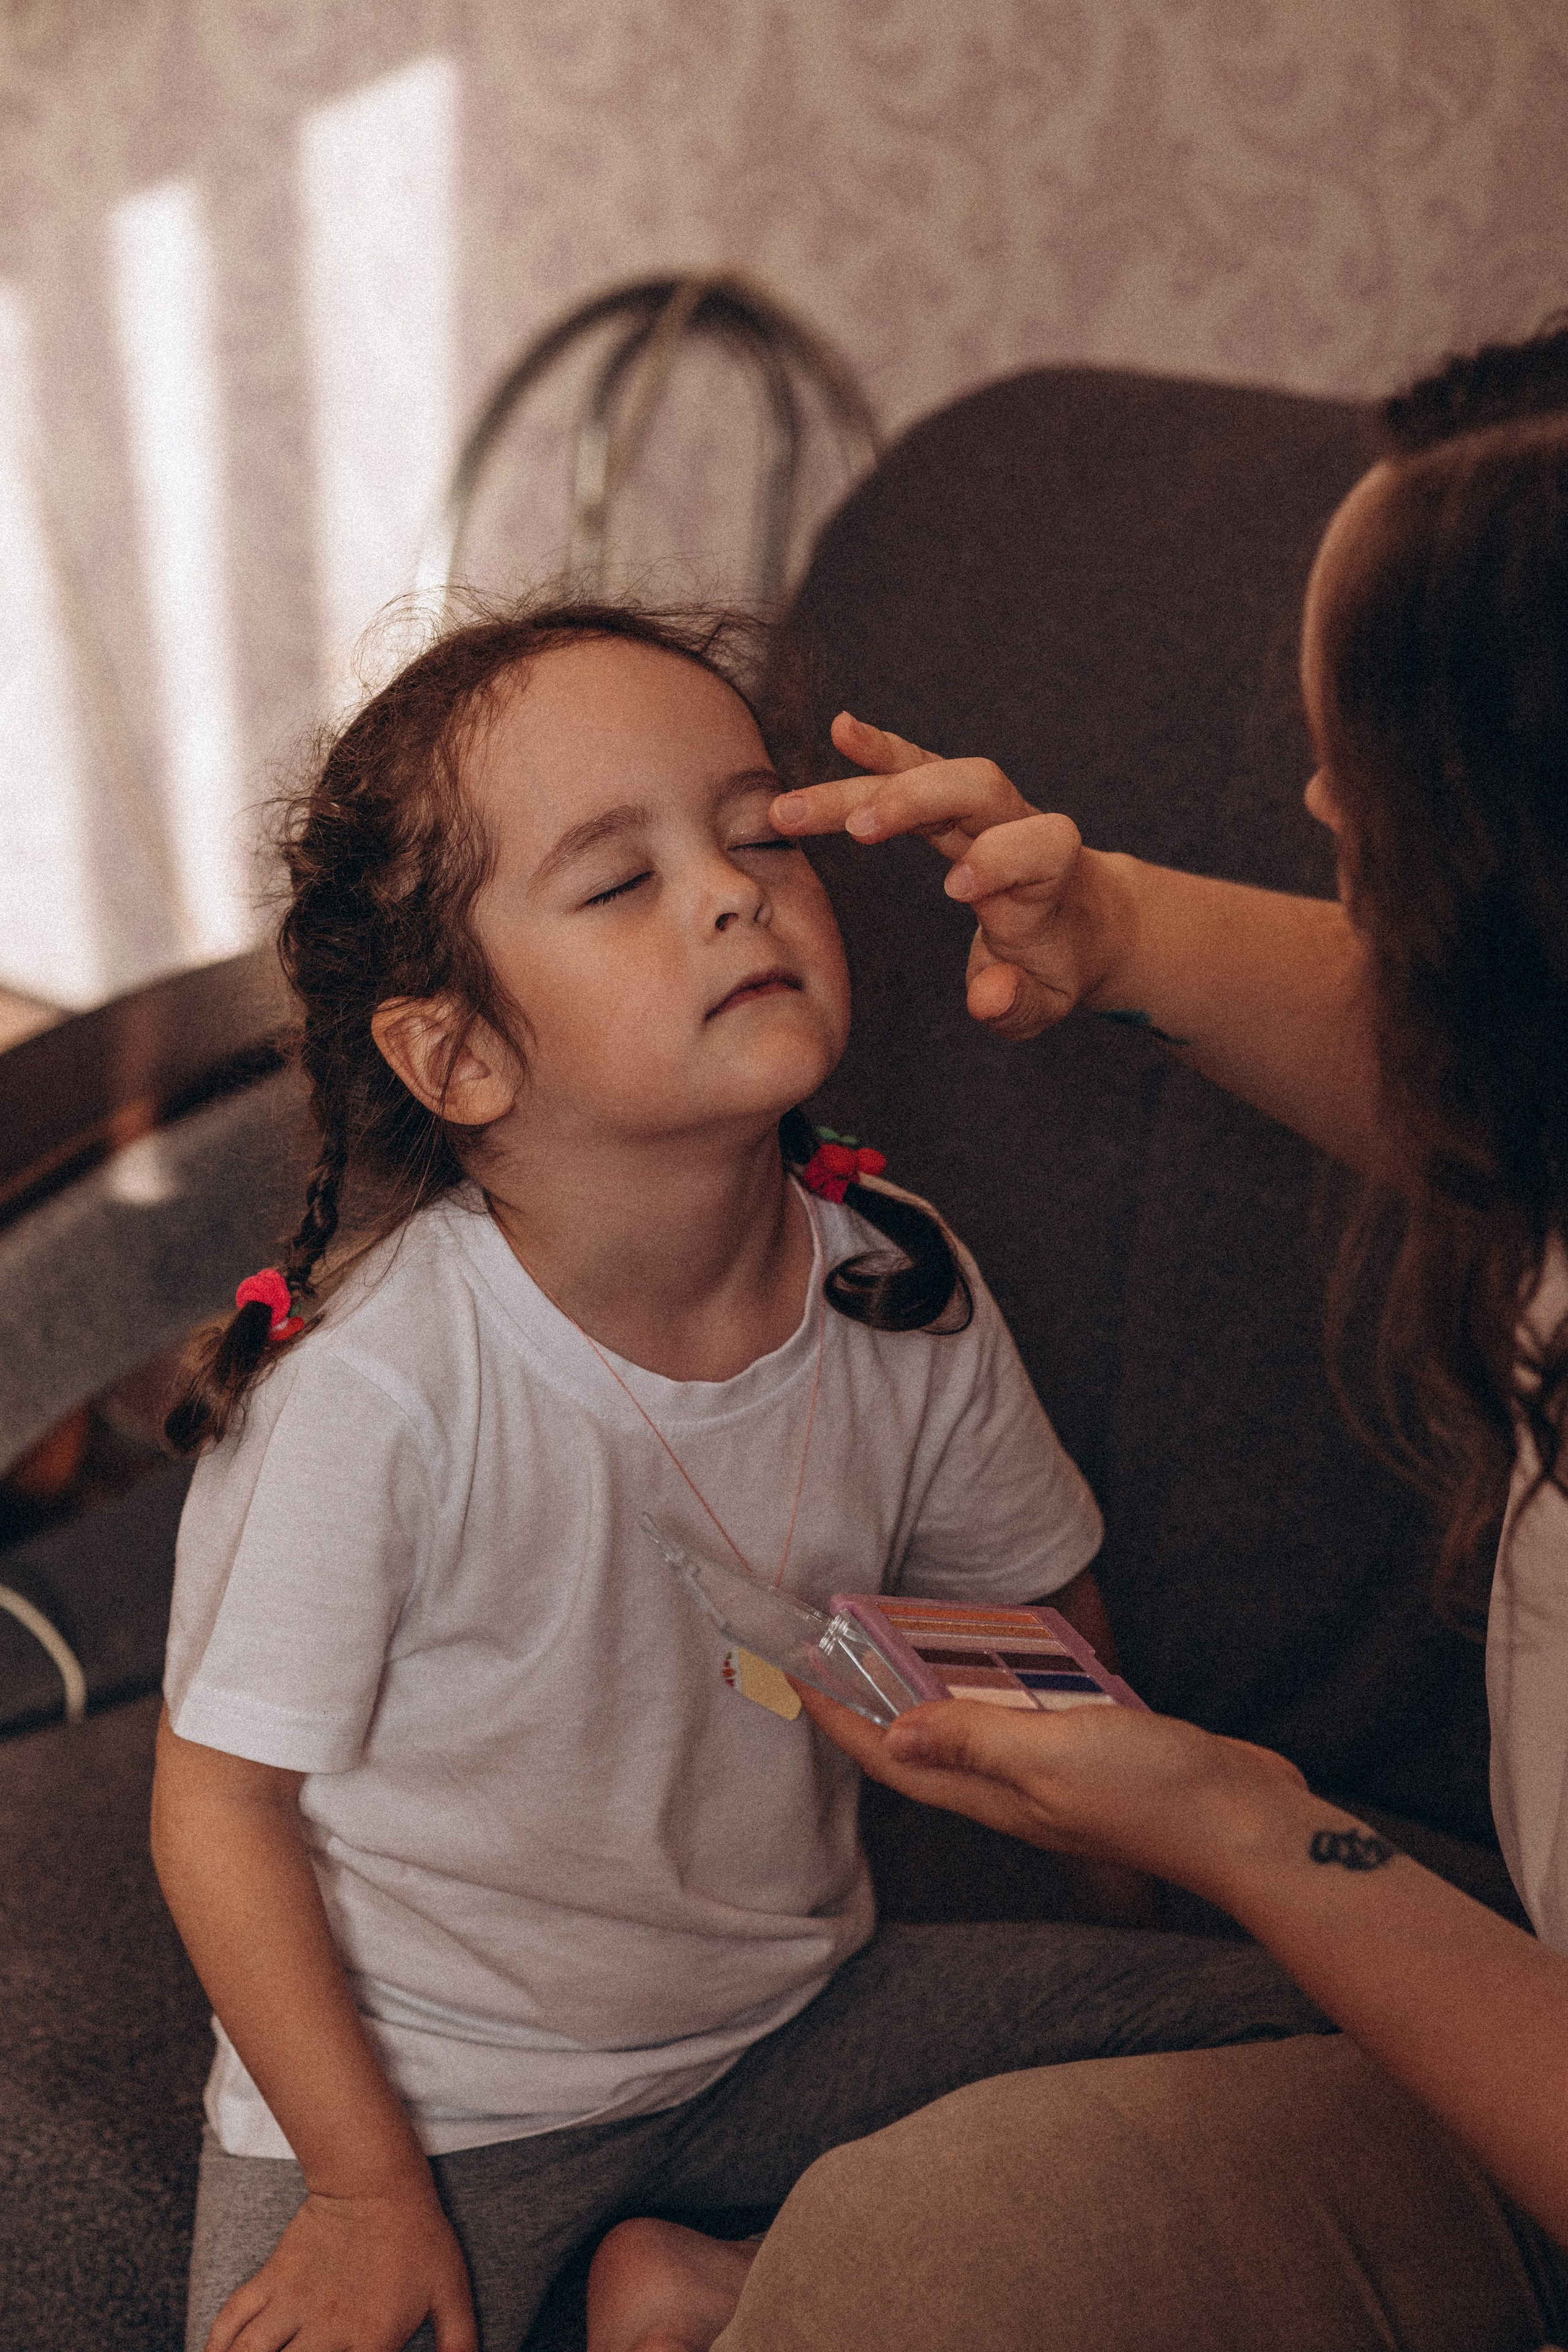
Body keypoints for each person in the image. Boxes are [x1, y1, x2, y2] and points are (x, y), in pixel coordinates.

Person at [151, 600, 1325, 2352]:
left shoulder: (898, 1279)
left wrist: (1119, 1920)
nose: (731, 891)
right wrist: (362, 2190)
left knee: (1312, 2066)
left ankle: (705, 2289)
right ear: (459, 1054)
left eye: (755, 832)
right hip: (440, 2107)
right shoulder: (381, 1389)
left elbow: (1038, 1621)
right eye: (619, 881)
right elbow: (218, 1810)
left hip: (791, 2024)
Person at [586, 334, 1568, 2350]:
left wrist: (1235, 1821)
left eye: (1362, 772)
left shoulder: (896, 1290)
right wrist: (1116, 931)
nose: (1306, 805)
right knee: (916, 2246)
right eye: (615, 877)